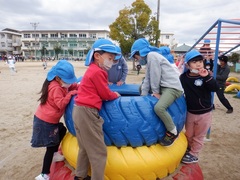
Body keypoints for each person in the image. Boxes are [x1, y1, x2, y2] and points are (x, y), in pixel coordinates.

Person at [73, 39, 121, 180]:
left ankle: (80, 175)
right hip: (88, 112)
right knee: (98, 152)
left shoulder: (91, 70)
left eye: (113, 59)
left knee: (84, 148)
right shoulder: (99, 72)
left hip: (77, 110)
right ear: (97, 56)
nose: (111, 62)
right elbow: (105, 94)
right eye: (109, 58)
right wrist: (115, 95)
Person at [130, 38, 183, 146]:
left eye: (136, 57)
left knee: (159, 108)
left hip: (172, 88)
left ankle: (173, 132)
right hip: (164, 86)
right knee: (141, 88)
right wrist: (142, 97)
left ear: (140, 52)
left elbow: (155, 76)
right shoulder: (150, 59)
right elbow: (147, 79)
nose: (137, 60)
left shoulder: (152, 56)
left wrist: (155, 92)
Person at [31, 60, 78, 180]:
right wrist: (71, 93)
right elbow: (60, 104)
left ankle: (56, 154)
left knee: (61, 130)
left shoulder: (61, 83)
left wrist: (78, 85)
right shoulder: (56, 88)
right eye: (67, 80)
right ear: (58, 78)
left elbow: (71, 85)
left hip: (51, 121)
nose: (69, 83)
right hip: (45, 121)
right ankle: (44, 174)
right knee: (50, 147)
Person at [180, 50, 219, 164]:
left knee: (199, 135)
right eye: (194, 62)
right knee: (189, 134)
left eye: (200, 61)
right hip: (190, 112)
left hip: (204, 113)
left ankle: (194, 154)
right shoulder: (183, 77)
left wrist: (207, 77)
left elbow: (215, 88)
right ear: (188, 64)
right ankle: (189, 149)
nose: (198, 64)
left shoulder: (206, 76)